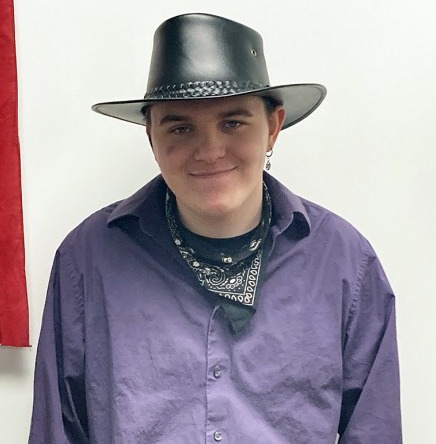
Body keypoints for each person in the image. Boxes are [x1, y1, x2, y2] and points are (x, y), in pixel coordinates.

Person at [29, 13, 402, 444]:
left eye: (233, 122)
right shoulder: (88, 258)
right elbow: (57, 430)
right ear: (152, 137)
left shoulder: (344, 262)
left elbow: (374, 430)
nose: (209, 151)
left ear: (273, 128)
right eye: (181, 127)